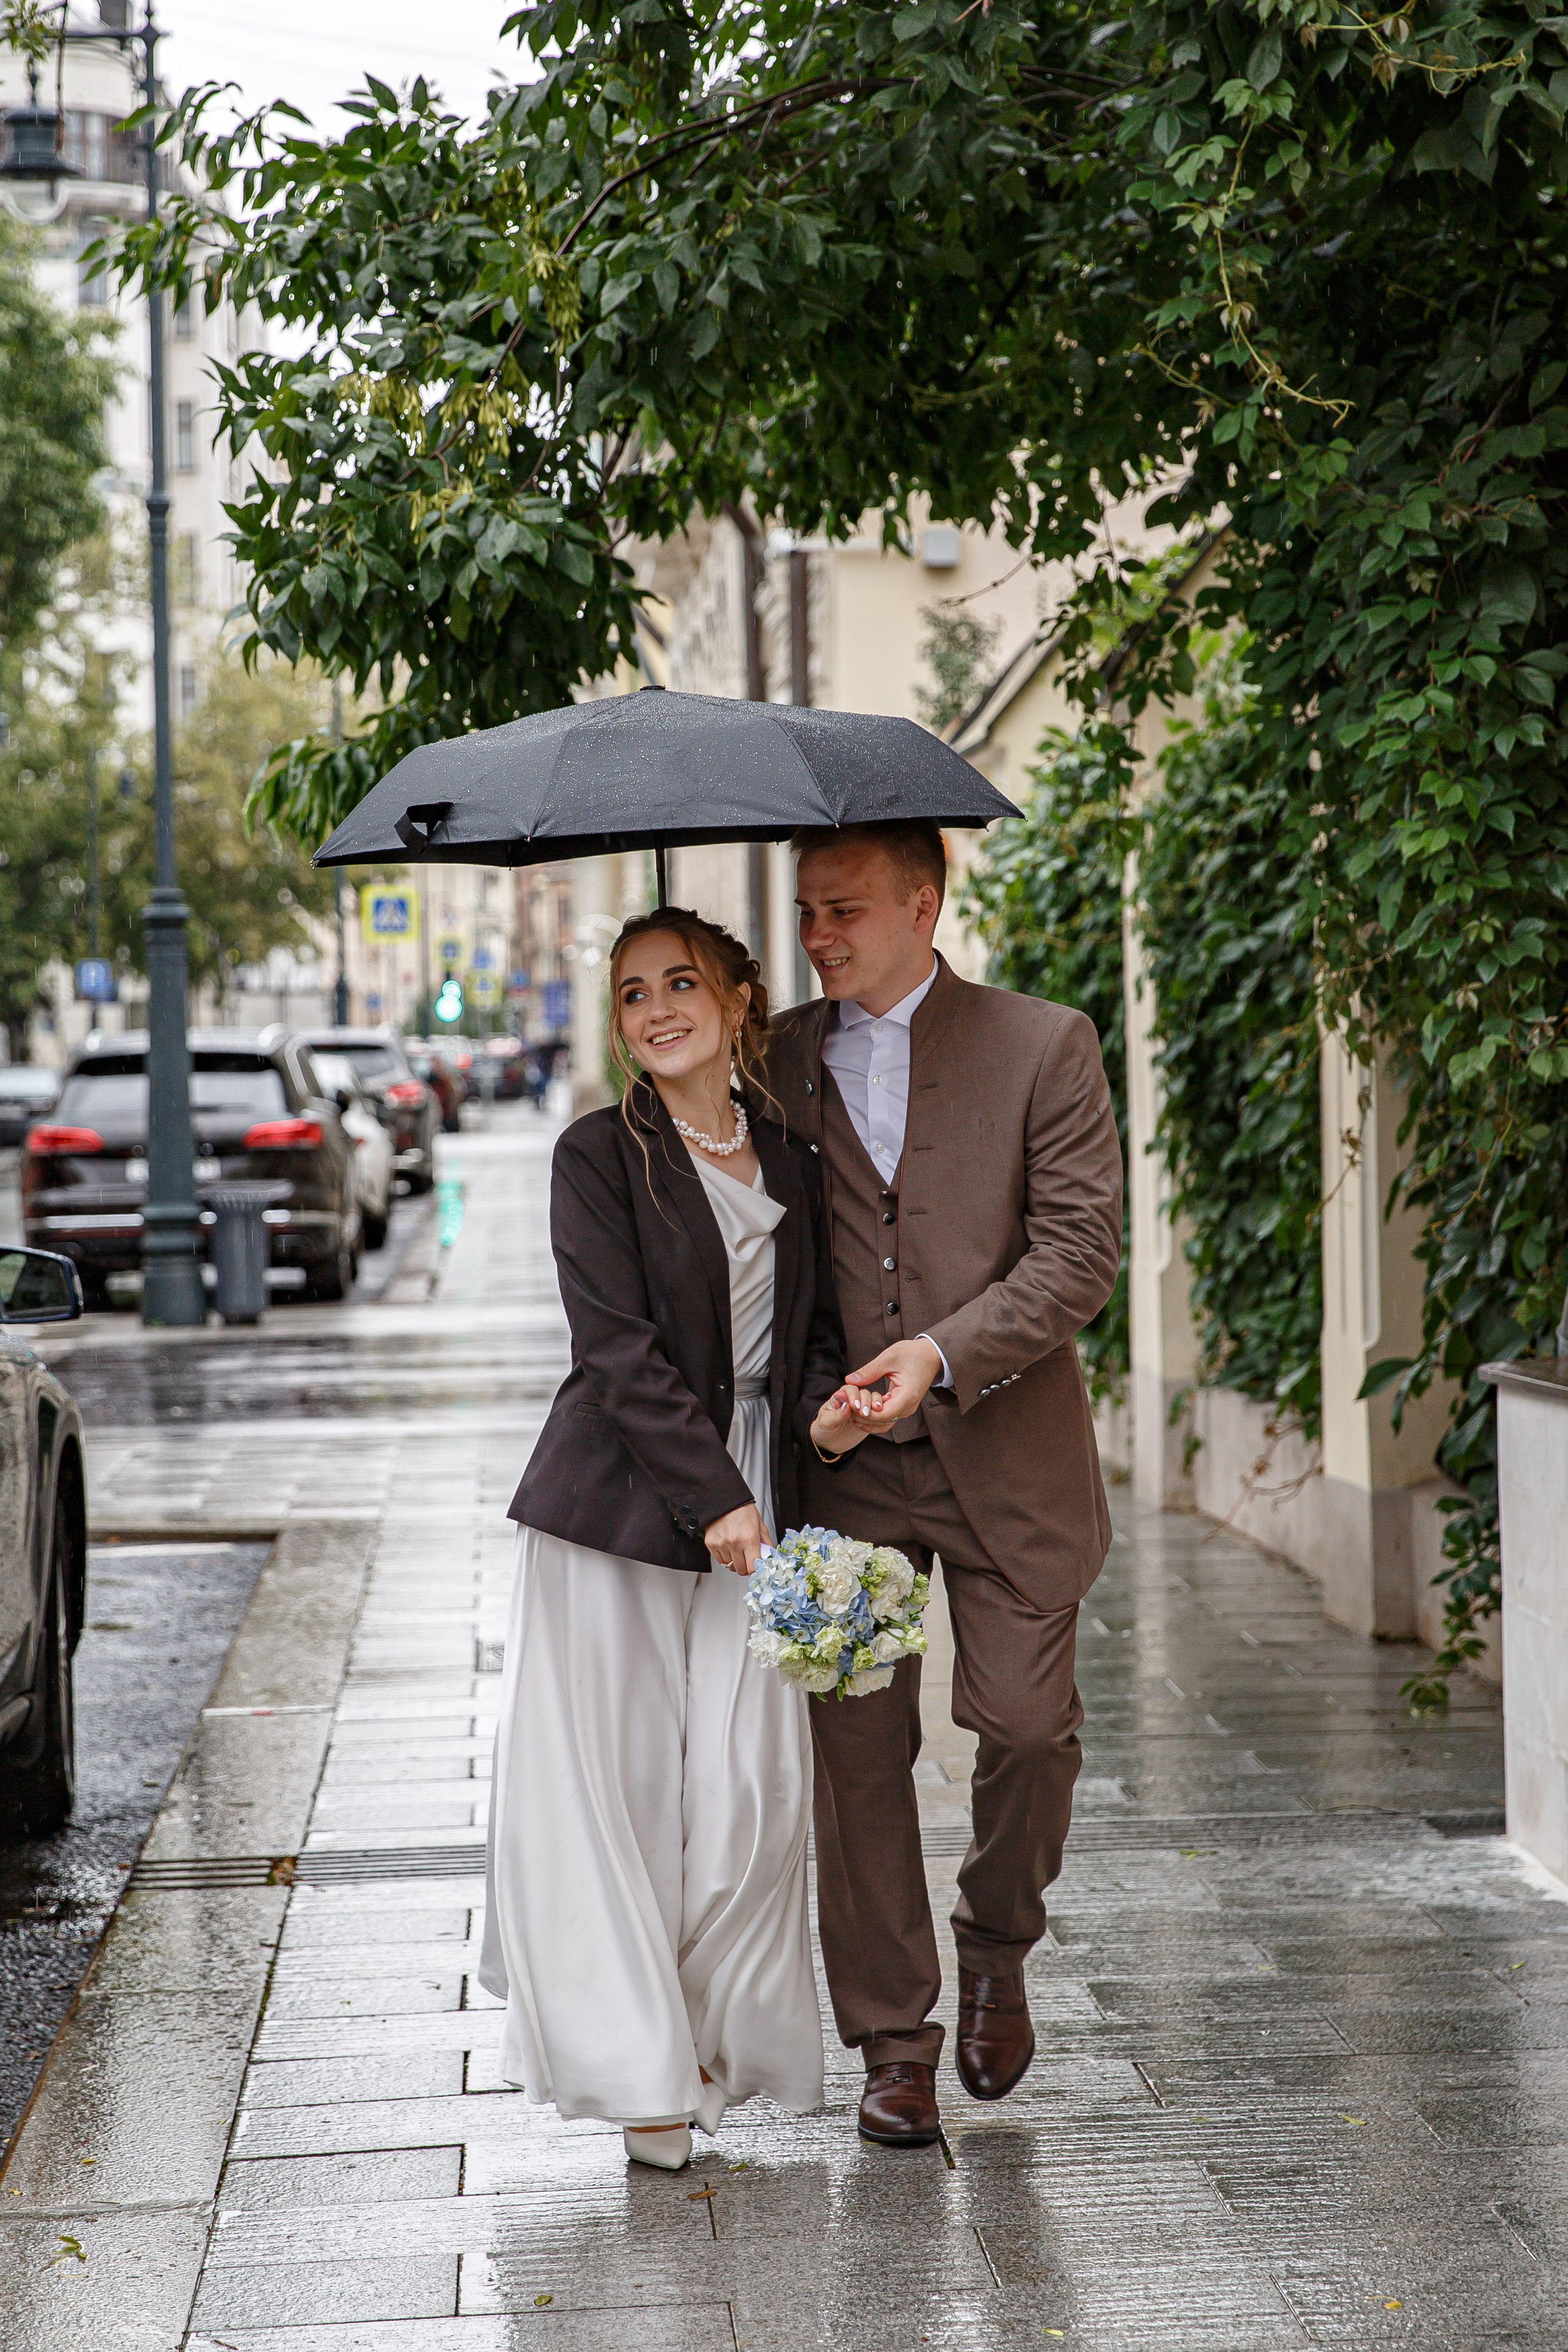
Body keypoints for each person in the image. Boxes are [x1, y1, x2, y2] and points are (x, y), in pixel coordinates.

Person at [480, 907, 873, 2171]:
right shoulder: (596, 1157)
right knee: (619, 1791)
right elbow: (616, 1351)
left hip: (760, 1489)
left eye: (681, 982)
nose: (656, 1008)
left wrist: (832, 1410)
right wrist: (714, 1496)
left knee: (754, 1790)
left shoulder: (795, 1157)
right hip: (619, 1508)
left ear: (738, 1000)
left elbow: (806, 1333)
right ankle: (643, 2069)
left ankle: (706, 2030)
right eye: (633, 990)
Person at [767, 821, 1123, 2149]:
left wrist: (936, 1351)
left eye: (843, 910)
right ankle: (890, 2040)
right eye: (804, 911)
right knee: (856, 1760)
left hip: (1007, 1460)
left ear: (924, 904)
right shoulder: (779, 1058)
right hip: (842, 1473)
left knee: (1028, 1732)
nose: (816, 936)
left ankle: (995, 1937)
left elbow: (1082, 1251)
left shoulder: (1044, 1043)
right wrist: (814, 1399)